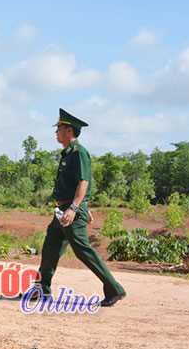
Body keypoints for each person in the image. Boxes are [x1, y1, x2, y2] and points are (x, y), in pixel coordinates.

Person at [31, 109, 126, 307]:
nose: (55, 132)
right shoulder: (67, 153)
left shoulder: (79, 153)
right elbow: (75, 183)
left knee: (83, 251)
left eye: (58, 129)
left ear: (68, 130)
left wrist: (76, 208)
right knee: (50, 248)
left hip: (70, 211)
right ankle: (41, 290)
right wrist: (80, 205)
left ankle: (114, 289)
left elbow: (84, 181)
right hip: (63, 211)